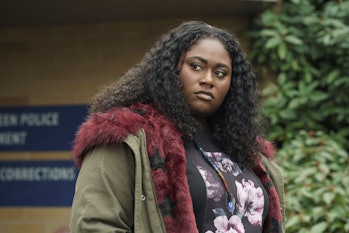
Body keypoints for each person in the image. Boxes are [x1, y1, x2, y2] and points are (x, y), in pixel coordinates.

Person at [70, 21, 285, 233]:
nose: (208, 80)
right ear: (170, 70)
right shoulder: (127, 138)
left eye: (220, 73)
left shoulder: (249, 153)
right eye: (196, 67)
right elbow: (94, 225)